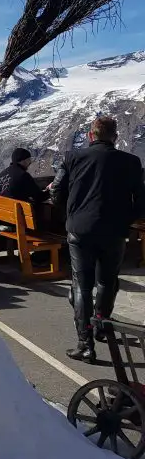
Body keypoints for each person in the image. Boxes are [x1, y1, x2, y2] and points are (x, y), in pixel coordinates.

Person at [49, 116, 145, 362]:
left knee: (81, 285)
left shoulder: (72, 158)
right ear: (114, 137)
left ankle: (85, 344)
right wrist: (127, 219)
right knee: (107, 280)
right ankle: (102, 324)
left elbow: (56, 192)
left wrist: (69, 214)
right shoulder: (132, 162)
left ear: (91, 135)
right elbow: (141, 201)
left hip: (80, 230)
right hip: (115, 231)